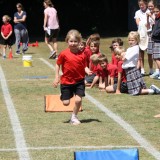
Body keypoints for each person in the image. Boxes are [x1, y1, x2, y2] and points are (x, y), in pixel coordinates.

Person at [53, 29, 87, 125]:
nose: (73, 43)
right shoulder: (64, 54)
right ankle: (64, 96)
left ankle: (74, 117)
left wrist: (87, 69)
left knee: (78, 100)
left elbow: (84, 65)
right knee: (66, 103)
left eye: (75, 41)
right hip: (66, 82)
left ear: (79, 42)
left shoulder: (82, 54)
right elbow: (57, 64)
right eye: (71, 41)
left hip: (79, 81)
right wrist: (57, 77)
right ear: (67, 41)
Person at [122, 31, 160, 95]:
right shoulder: (130, 48)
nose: (130, 41)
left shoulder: (134, 49)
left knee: (134, 91)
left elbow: (124, 59)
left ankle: (152, 90)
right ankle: (151, 89)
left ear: (137, 40)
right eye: (129, 40)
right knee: (134, 89)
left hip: (131, 70)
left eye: (132, 40)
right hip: (129, 71)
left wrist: (121, 55)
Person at [134, 0, 149, 76]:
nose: (141, 6)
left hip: (149, 33)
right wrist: (144, 24)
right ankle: (142, 69)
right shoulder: (137, 12)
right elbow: (138, 22)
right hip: (140, 33)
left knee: (150, 52)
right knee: (141, 53)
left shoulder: (149, 11)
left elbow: (151, 23)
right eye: (140, 5)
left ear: (146, 4)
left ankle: (152, 69)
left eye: (142, 4)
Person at [151, 4, 160, 80]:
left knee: (157, 58)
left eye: (157, 11)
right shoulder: (157, 18)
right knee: (156, 57)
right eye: (155, 11)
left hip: (158, 40)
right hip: (155, 40)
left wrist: (154, 33)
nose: (156, 13)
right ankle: (158, 72)